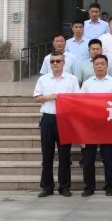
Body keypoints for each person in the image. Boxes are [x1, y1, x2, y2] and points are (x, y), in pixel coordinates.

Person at [33, 51, 79, 197]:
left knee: (64, 155)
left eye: (58, 61)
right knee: (47, 155)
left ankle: (64, 186)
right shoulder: (43, 79)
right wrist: (49, 97)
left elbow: (77, 99)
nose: (55, 64)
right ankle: (47, 186)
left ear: (63, 63)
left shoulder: (72, 79)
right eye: (52, 61)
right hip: (48, 118)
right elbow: (37, 97)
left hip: (65, 119)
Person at [79, 55, 112, 197]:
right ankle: (89, 187)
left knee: (109, 158)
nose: (99, 66)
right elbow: (81, 104)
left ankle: (110, 187)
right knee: (88, 158)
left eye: (102, 64)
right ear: (93, 66)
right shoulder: (87, 84)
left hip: (108, 124)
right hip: (91, 125)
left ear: (107, 66)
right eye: (97, 64)